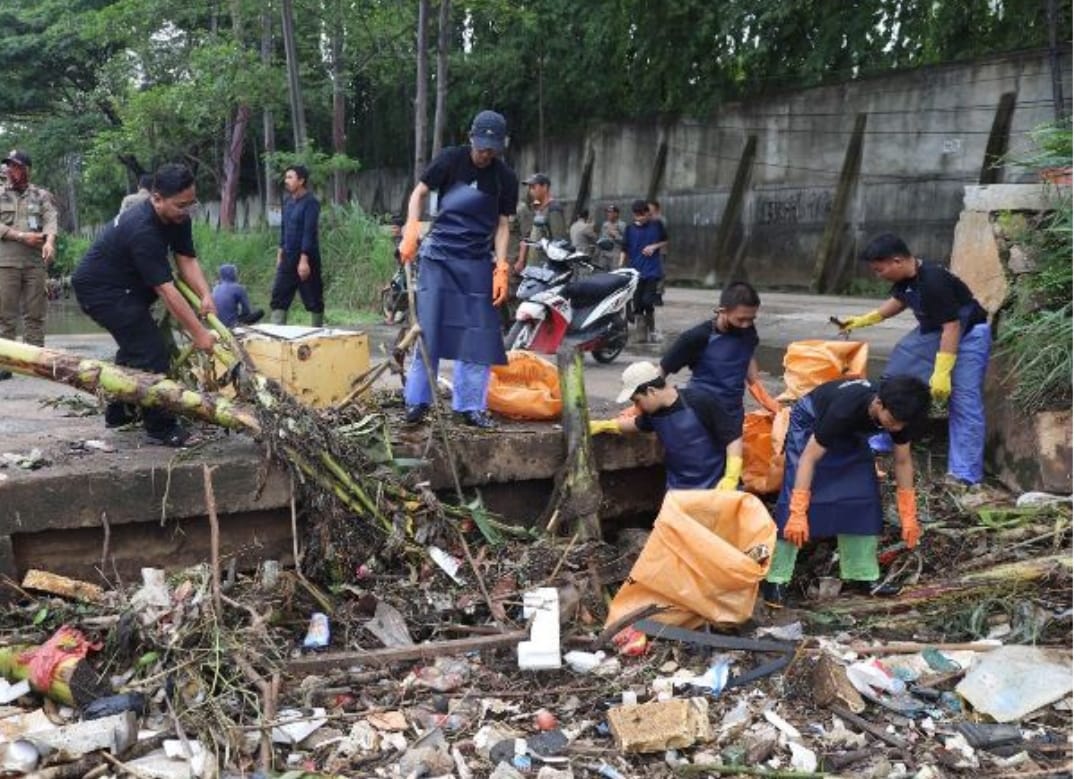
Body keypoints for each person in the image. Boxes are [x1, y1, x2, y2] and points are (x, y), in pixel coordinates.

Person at [71, 163, 218, 447]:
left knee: (135, 349)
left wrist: (205, 294)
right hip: (102, 291)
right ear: (156, 198)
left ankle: (119, 411)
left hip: (128, 286)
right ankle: (161, 427)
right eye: (180, 206)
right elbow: (166, 290)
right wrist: (199, 334)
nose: (186, 211)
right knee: (152, 353)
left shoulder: (178, 218)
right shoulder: (142, 229)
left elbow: (186, 259)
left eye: (191, 204)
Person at [761, 376, 931, 607]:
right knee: (795, 500)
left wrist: (908, 513)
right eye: (893, 421)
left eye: (902, 424)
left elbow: (902, 462)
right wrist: (799, 511)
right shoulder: (844, 410)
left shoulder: (901, 414)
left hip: (851, 433)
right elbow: (809, 459)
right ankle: (776, 579)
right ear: (879, 404)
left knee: (862, 498)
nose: (897, 428)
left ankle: (862, 574)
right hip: (812, 423)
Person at [839, 233, 991, 486]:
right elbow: (900, 300)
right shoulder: (908, 278)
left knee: (964, 399)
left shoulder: (934, 281)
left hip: (967, 335)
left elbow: (952, 327)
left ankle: (965, 473)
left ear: (897, 261)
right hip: (935, 331)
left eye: (880, 269)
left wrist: (942, 372)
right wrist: (866, 319)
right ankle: (889, 432)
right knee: (899, 373)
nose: (878, 275)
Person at [398, 109, 518, 429]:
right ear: (470, 139)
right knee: (430, 329)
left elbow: (503, 225)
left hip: (478, 261)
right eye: (480, 147)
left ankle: (469, 406)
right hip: (439, 258)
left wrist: (501, 267)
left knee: (477, 335)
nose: (484, 154)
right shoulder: (451, 159)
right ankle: (418, 401)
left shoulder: (505, 178)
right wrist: (412, 226)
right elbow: (419, 192)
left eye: (491, 150)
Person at [660, 281, 779, 490]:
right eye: (741, 319)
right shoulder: (696, 337)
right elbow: (662, 371)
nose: (746, 324)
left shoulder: (748, 332)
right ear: (722, 311)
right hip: (699, 414)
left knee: (729, 467)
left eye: (751, 319)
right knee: (699, 469)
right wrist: (646, 404)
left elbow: (747, 355)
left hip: (732, 411)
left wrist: (760, 392)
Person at [590, 361, 744, 491]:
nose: (637, 407)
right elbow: (634, 425)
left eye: (637, 401)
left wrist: (731, 477)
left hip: (715, 488)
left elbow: (733, 437)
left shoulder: (700, 401)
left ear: (651, 391)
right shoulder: (653, 414)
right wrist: (605, 425)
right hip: (678, 491)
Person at [0, 150, 58, 380]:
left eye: (15, 166)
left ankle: (35, 364)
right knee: (5, 315)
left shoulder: (41, 195)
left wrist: (50, 242)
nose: (10, 170)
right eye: (8, 166)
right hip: (6, 264)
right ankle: (4, 364)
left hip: (35, 263)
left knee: (35, 314)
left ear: (26, 169)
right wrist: (21, 236)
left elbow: (51, 220)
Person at [270, 164, 323, 326]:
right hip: (288, 256)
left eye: (290, 177)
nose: (286, 181)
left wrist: (304, 259)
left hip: (306, 258)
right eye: (286, 177)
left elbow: (309, 232)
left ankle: (317, 333)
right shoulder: (287, 203)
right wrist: (280, 253)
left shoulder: (311, 203)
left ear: (301, 181)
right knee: (279, 294)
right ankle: (276, 334)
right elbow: (284, 229)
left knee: (313, 297)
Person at [620, 199, 667, 343]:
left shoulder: (656, 225)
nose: (640, 217)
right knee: (637, 303)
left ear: (648, 213)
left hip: (652, 270)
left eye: (642, 214)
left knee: (648, 301)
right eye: (637, 215)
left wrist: (654, 247)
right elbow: (624, 249)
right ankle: (641, 334)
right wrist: (620, 266)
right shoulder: (629, 229)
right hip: (636, 271)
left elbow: (665, 240)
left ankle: (651, 330)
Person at [514, 173, 567, 273]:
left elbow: (559, 242)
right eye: (529, 188)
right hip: (535, 267)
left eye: (533, 187)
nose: (530, 191)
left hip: (546, 269)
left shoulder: (553, 209)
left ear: (545, 187)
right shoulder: (539, 209)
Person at [597, 204, 625, 269]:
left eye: (610, 212)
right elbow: (601, 236)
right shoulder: (605, 224)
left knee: (614, 274)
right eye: (607, 212)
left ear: (616, 214)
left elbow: (626, 240)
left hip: (615, 255)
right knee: (602, 274)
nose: (608, 214)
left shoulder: (622, 225)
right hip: (604, 254)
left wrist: (616, 236)